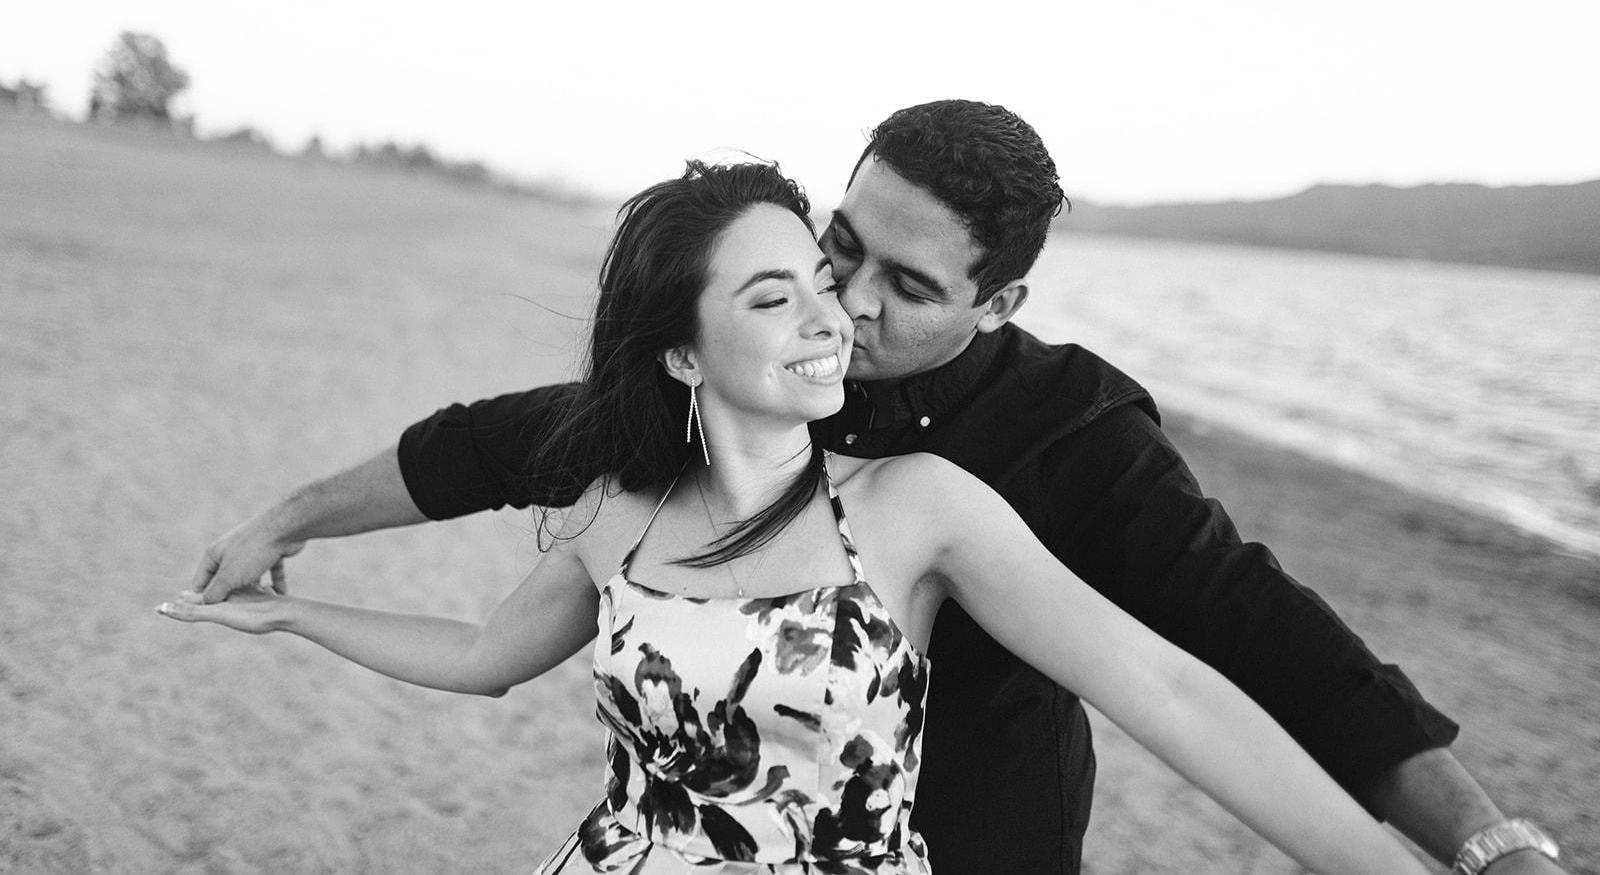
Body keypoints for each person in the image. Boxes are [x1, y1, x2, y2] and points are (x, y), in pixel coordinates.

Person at [188, 102, 1567, 874]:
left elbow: (1243, 646)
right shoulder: (724, 395)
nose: (845, 304)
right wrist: (289, 525)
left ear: (998, 301)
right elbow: (488, 450)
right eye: (835, 247)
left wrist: (1483, 844)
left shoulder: (1068, 435)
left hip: (986, 844)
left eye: (906, 286)